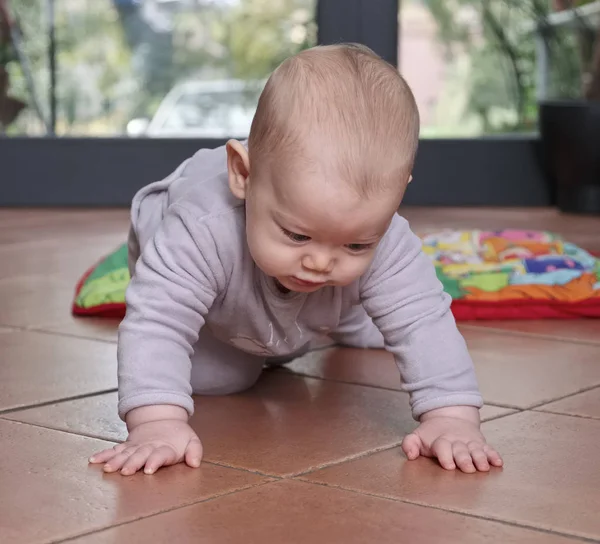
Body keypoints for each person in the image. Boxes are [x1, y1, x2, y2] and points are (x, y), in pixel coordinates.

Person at [89, 43, 503, 476]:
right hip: (201, 282)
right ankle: (280, 322)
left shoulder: (382, 234)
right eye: (297, 234)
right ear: (243, 176)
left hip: (288, 277)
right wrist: (156, 423)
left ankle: (341, 308)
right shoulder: (199, 229)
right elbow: (159, 320)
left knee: (379, 298)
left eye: (356, 244)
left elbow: (424, 320)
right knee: (223, 379)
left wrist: (453, 418)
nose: (322, 262)